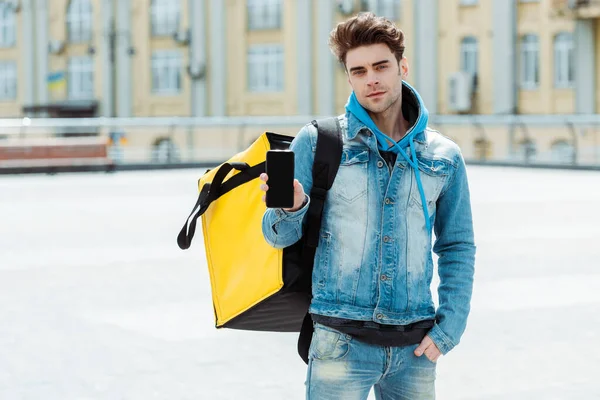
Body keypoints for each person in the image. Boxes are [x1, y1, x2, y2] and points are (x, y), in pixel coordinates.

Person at [259, 12, 476, 400]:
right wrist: (290, 208)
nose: (371, 78)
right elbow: (277, 237)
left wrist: (450, 328)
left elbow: (457, 245)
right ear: (348, 77)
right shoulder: (319, 141)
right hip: (339, 342)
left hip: (415, 347)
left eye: (380, 66)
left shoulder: (445, 156)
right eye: (358, 71)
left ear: (402, 66)